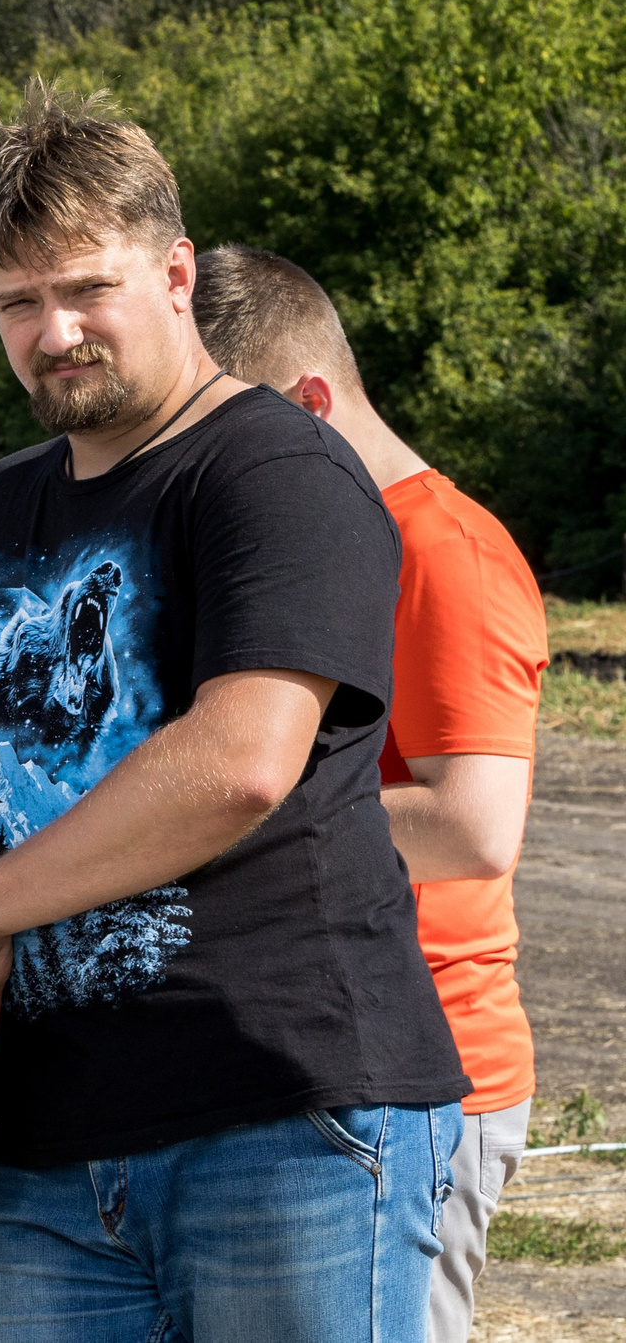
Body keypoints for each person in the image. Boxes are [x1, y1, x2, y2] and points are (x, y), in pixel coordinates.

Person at [0, 86, 468, 1341]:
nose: (55, 332)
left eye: (86, 288)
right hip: (49, 1147)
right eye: (18, 303)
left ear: (176, 272)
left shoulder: (272, 469)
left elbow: (241, 762)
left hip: (284, 1117)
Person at [195, 243, 546, 1343]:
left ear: (305, 404)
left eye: (226, 431)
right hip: (321, 1054)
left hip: (423, 1072)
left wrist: (203, 816)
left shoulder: (445, 554)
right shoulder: (323, 544)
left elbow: (473, 827)